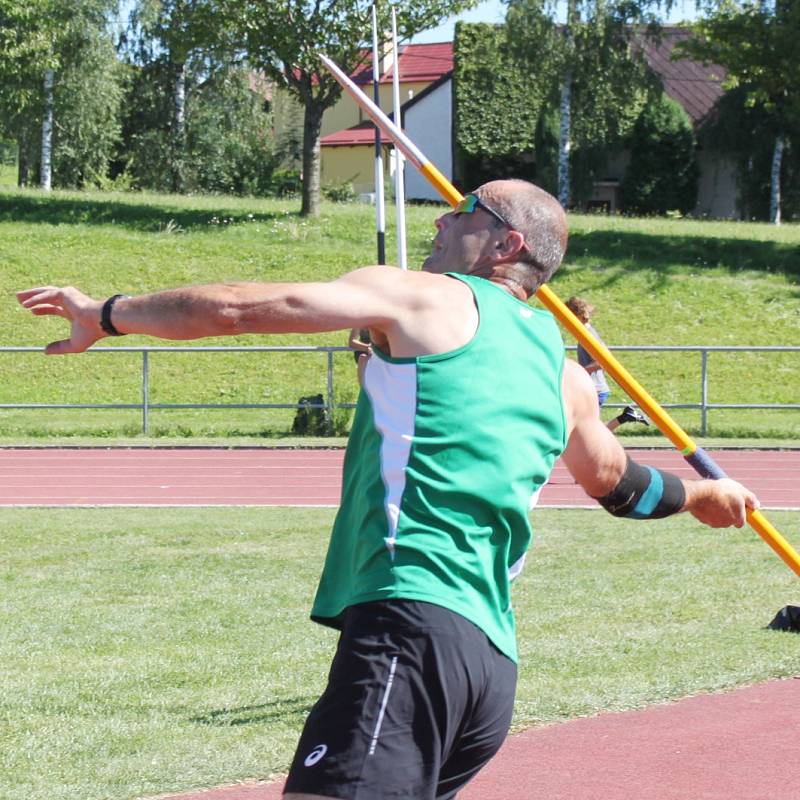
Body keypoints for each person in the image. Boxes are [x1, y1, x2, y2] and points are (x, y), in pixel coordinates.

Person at [16, 179, 758, 800]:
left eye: (466, 209)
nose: (440, 216)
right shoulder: (564, 375)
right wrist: (699, 498)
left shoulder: (422, 298)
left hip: (412, 626)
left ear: (507, 246)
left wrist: (105, 315)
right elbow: (615, 482)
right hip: (485, 666)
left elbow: (235, 308)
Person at [564, 295, 650, 432]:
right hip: (592, 388)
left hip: (594, 389)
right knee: (588, 430)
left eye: (567, 316)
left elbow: (602, 361)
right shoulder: (585, 333)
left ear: (577, 315)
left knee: (590, 432)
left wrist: (580, 372)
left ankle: (624, 418)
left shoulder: (588, 334)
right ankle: (625, 417)